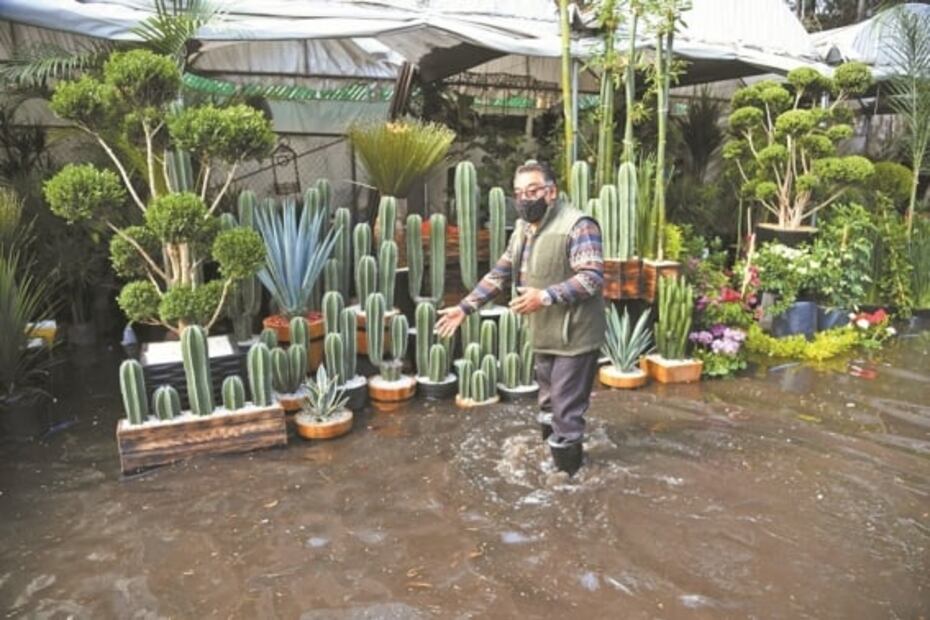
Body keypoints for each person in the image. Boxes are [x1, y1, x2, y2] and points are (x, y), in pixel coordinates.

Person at [436, 161, 605, 475]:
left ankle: (568, 482)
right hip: (544, 333)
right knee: (546, 405)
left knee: (566, 412)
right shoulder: (523, 232)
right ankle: (551, 462)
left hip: (576, 336)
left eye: (533, 191)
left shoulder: (578, 225)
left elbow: (591, 278)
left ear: (551, 192)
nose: (525, 199)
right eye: (519, 193)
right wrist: (465, 307)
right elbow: (499, 275)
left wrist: (543, 296)